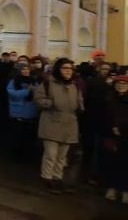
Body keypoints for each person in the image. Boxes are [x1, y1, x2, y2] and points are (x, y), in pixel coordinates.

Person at [35, 58, 83, 194]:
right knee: (51, 154)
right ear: (58, 69)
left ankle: (57, 177)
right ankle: (46, 178)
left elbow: (79, 101)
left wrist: (80, 106)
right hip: (51, 122)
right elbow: (38, 99)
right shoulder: (48, 83)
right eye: (65, 68)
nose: (68, 71)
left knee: (62, 156)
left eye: (70, 69)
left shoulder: (75, 85)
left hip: (69, 124)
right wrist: (49, 104)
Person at [83, 61, 115, 184]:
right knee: (91, 147)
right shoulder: (93, 82)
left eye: (107, 69)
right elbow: (89, 99)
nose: (105, 71)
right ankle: (90, 173)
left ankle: (99, 173)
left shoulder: (112, 83)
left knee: (102, 149)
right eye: (103, 69)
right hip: (92, 119)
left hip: (105, 121)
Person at [103, 75, 128, 204]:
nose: (121, 86)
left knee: (125, 164)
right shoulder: (109, 99)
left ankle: (125, 190)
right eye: (119, 83)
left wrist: (122, 128)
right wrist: (111, 127)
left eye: (124, 84)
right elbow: (104, 117)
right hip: (112, 136)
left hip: (126, 136)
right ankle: (112, 188)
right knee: (112, 163)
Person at [7, 62, 39, 161]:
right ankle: (16, 156)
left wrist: (34, 90)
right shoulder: (14, 81)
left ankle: (27, 155)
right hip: (18, 112)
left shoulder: (33, 81)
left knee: (28, 137)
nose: (26, 71)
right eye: (23, 69)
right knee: (17, 136)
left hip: (31, 112)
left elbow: (39, 93)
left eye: (27, 69)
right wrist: (27, 91)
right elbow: (13, 94)